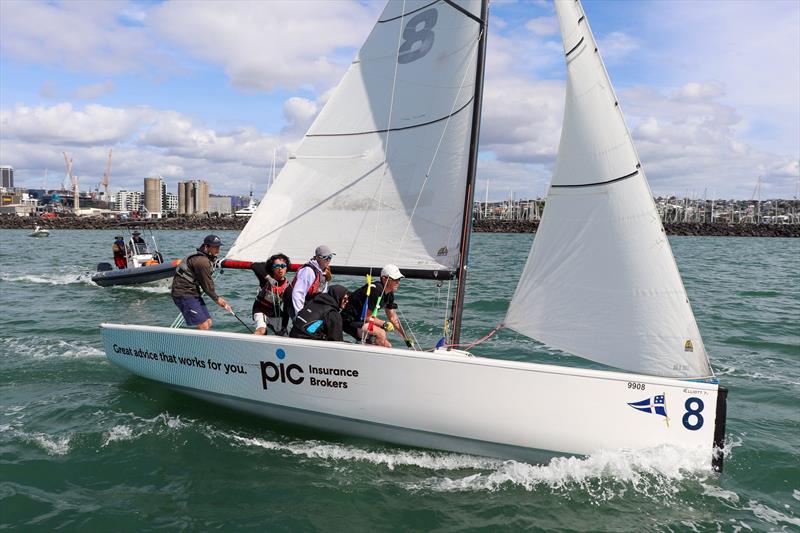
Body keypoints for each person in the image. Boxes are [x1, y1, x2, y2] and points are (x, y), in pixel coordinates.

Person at [341, 264, 411, 348]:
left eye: (399, 279)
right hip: (349, 322)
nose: (398, 282)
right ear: (384, 279)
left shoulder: (389, 294)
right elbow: (367, 317)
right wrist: (384, 324)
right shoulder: (376, 290)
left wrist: (406, 338)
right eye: (395, 279)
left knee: (388, 345)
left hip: (363, 322)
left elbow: (393, 318)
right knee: (381, 333)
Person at [171, 234, 232, 330]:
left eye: (219, 247)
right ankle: (193, 344)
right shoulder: (201, 261)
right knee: (203, 325)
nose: (218, 250)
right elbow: (207, 286)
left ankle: (199, 342)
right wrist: (218, 300)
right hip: (183, 293)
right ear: (206, 247)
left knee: (208, 322)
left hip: (193, 292)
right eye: (215, 247)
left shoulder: (203, 257)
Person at [283, 245, 334, 323]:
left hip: (310, 303)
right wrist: (300, 314)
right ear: (317, 258)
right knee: (303, 327)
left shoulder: (324, 271)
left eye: (330, 257)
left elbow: (323, 294)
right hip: (294, 302)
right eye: (325, 257)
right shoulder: (308, 271)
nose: (328, 260)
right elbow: (298, 293)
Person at [250, 253, 291, 335]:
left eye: (283, 266)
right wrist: (268, 278)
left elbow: (286, 310)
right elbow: (255, 265)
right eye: (277, 266)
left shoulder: (287, 287)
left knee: (285, 335)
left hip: (275, 313)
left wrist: (284, 327)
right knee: (262, 330)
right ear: (272, 268)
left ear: (286, 268)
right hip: (260, 310)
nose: (280, 269)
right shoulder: (265, 279)